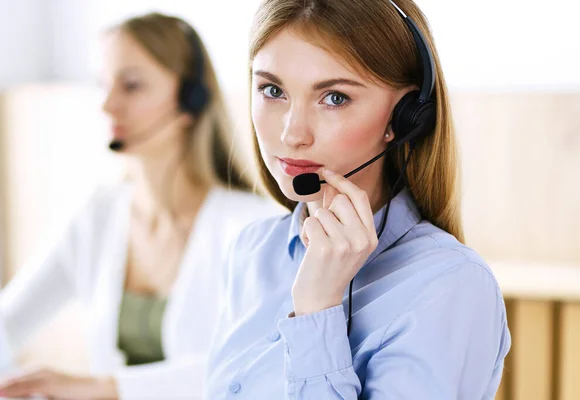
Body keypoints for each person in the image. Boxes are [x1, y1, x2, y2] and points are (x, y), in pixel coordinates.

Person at [204, 0, 511, 398]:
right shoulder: (252, 251)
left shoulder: (449, 285)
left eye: (333, 98)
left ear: (404, 118)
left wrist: (318, 308)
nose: (292, 134)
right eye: (272, 90)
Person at [0, 12, 283, 400]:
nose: (107, 105)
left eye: (131, 86)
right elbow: (7, 322)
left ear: (190, 98)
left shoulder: (250, 226)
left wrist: (103, 388)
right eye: (103, 85)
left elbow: (250, 367)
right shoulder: (98, 214)